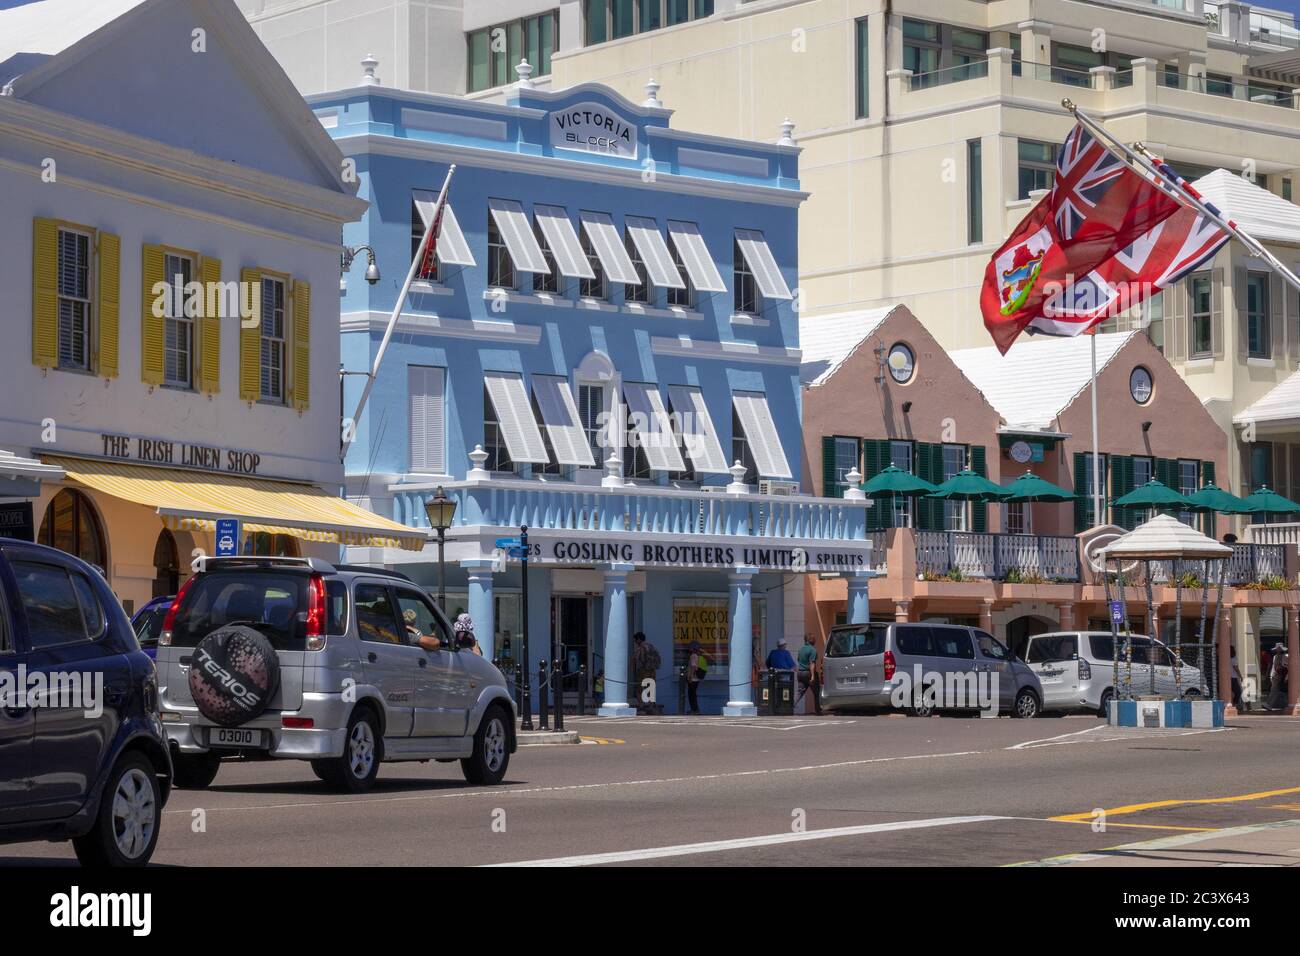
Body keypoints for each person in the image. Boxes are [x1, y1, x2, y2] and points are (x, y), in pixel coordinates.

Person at [632, 632, 661, 711]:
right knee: (650, 687)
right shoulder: (651, 646)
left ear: (639, 639)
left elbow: (635, 659)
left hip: (642, 670)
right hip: (652, 670)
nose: (634, 642)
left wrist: (632, 669)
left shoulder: (640, 648)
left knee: (638, 688)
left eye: (635, 640)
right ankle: (651, 705)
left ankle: (641, 705)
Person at [796, 634, 822, 715]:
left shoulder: (801, 650)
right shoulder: (812, 650)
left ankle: (789, 707)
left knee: (800, 693)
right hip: (808, 673)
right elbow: (812, 663)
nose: (815, 640)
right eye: (814, 639)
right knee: (816, 692)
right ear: (811, 640)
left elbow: (798, 660)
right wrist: (813, 676)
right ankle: (818, 711)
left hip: (800, 673)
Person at [685, 641, 707, 714]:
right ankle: (695, 709)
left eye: (690, 648)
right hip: (696, 678)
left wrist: (690, 677)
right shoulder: (699, 656)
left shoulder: (693, 655)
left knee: (691, 695)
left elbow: (694, 666)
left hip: (693, 678)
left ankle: (694, 709)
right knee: (693, 694)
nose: (689, 649)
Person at [1267, 642, 1289, 711]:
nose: (1278, 650)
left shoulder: (1286, 656)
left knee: (1283, 691)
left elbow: (1288, 668)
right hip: (1276, 676)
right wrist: (1271, 675)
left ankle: (1270, 705)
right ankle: (1269, 705)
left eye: (1279, 649)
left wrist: (1286, 677)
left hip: (1283, 676)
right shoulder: (1275, 657)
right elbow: (1274, 666)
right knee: (1274, 691)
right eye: (1277, 649)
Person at [1229, 645, 1243, 711]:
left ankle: (1233, 704)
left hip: (1229, 677)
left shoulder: (1226, 657)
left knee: (1232, 692)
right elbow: (1236, 668)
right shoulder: (1234, 658)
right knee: (1238, 692)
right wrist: (1240, 676)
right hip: (1233, 677)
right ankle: (1234, 704)